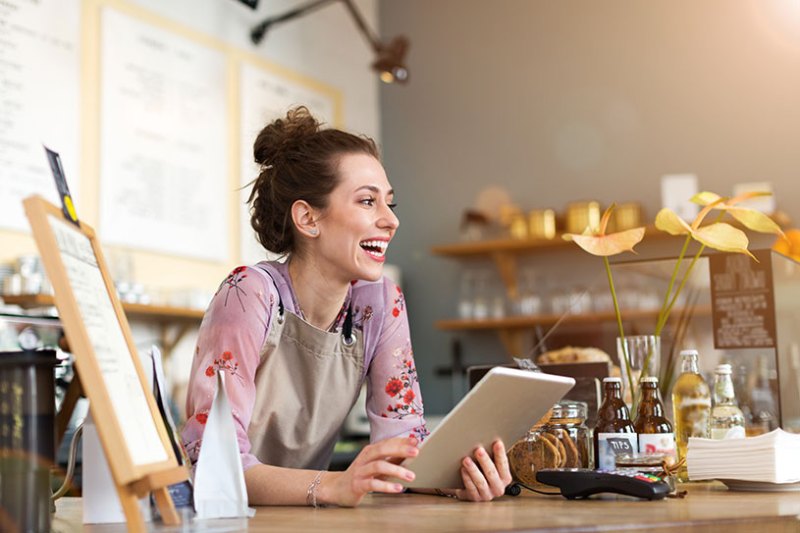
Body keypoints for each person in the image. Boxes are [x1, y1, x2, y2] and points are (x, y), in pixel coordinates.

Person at [181, 107, 512, 507]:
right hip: (221, 519)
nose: (391, 221)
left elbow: (401, 444)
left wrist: (450, 479)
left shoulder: (380, 302)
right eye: (368, 201)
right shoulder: (249, 293)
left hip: (306, 519)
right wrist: (332, 486)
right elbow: (215, 461)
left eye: (389, 203)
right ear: (307, 218)